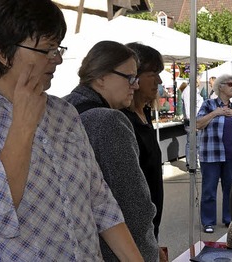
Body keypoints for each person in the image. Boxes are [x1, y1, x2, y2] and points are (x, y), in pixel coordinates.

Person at [0, 0, 142, 260]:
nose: (56, 59)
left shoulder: (65, 113)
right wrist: (22, 126)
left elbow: (99, 200)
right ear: (2, 53)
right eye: (46, 50)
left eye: (58, 48)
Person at [64, 40, 159, 261]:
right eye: (130, 78)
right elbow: (135, 207)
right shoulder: (108, 121)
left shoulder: (64, 109)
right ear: (100, 77)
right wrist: (146, 254)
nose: (135, 85)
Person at [122, 42, 169, 261]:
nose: (159, 81)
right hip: (134, 231)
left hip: (151, 224)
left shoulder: (145, 113)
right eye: (153, 74)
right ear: (134, 76)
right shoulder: (123, 120)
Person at [196, 74, 232, 233]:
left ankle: (229, 219)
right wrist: (216, 113)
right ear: (220, 86)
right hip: (211, 155)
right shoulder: (208, 104)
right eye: (230, 84)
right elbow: (198, 124)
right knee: (209, 189)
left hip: (231, 155)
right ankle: (208, 221)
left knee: (230, 189)